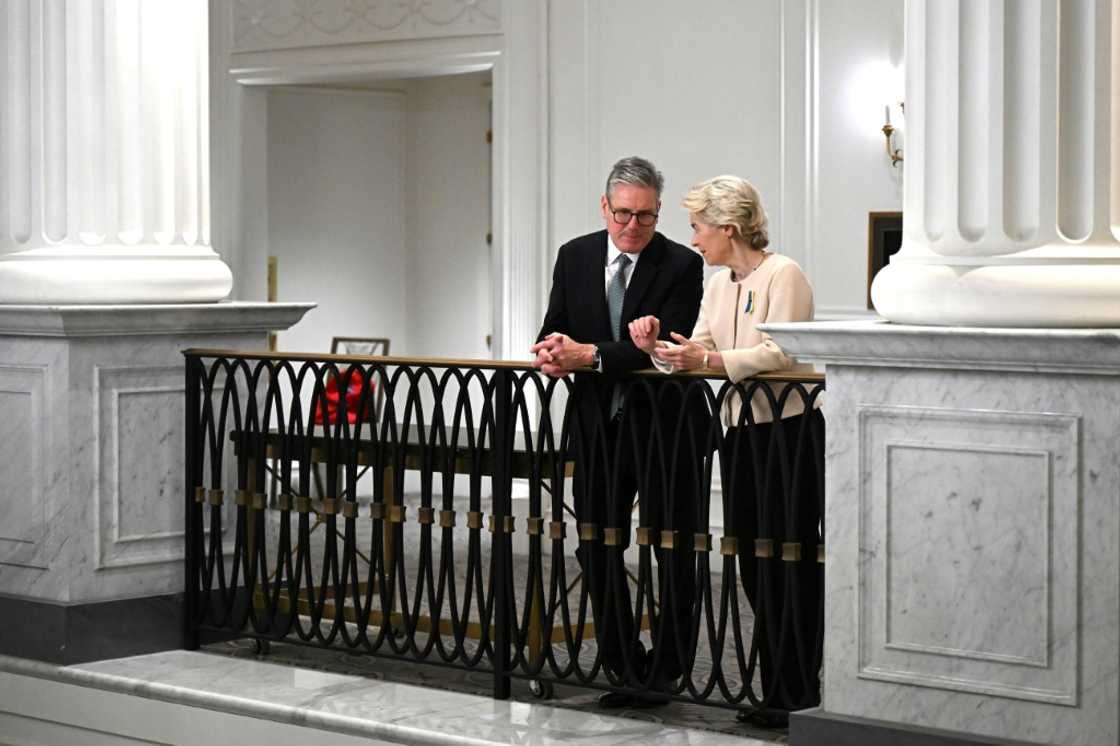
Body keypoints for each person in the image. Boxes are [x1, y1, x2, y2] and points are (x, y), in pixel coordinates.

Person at [629, 175, 824, 726]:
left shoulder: (783, 273)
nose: (693, 238)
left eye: (698, 226)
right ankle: (774, 688)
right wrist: (659, 349)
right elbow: (700, 349)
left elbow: (783, 350)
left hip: (789, 433)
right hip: (739, 435)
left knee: (788, 559)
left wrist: (710, 364)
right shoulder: (717, 285)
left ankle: (796, 689)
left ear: (728, 228)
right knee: (752, 561)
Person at [531, 156, 704, 708]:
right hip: (596, 426)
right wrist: (553, 351)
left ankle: (667, 670)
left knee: (672, 547)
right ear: (605, 207)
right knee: (596, 543)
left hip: (665, 428)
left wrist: (594, 354)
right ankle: (624, 664)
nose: (633, 228)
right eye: (624, 214)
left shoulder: (680, 264)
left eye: (647, 217)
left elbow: (667, 348)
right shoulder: (575, 255)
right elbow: (554, 325)